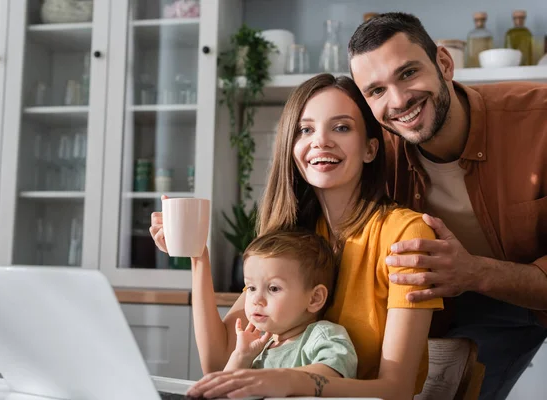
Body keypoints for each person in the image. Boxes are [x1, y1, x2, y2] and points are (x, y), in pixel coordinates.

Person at [151, 74, 443, 399]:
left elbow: (397, 389)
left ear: (370, 149)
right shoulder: (294, 239)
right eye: (305, 129)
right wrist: (197, 257)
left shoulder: (406, 232)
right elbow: (219, 364)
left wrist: (286, 380)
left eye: (341, 127)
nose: (321, 141)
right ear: (291, 147)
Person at [347, 12, 547, 400]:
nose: (399, 100)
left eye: (407, 73)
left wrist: (474, 272)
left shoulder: (539, 119)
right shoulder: (378, 157)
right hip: (475, 311)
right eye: (376, 91)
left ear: (444, 63)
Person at [221, 229, 357, 379]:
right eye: (251, 288)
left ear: (314, 299)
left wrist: (272, 380)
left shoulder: (322, 335)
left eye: (273, 288)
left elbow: (333, 376)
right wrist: (241, 355)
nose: (256, 299)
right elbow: (223, 388)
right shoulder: (257, 348)